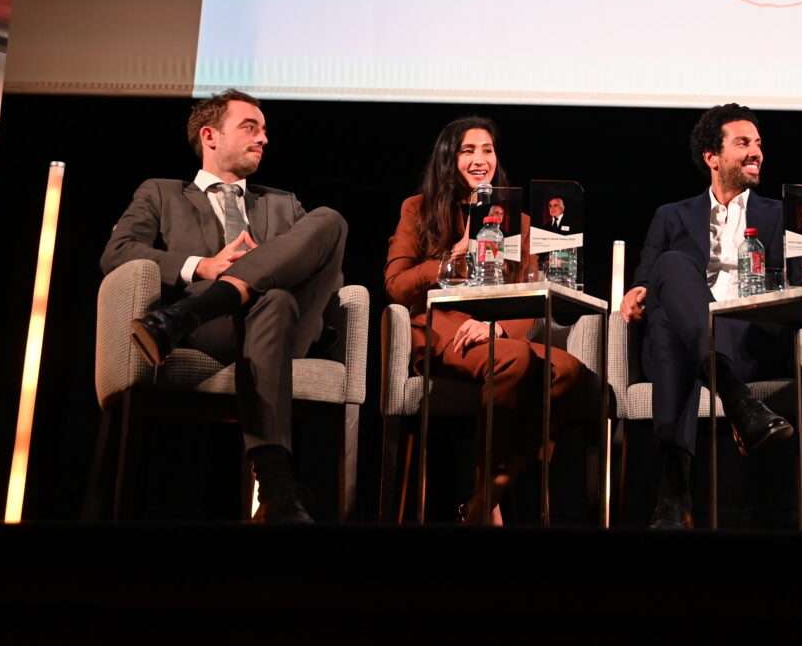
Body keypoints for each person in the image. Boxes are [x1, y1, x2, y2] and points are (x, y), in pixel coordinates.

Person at [100, 89, 348, 523]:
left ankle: (177, 318)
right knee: (273, 299)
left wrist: (256, 270)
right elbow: (117, 253)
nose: (264, 139)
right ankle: (276, 488)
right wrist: (202, 266)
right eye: (250, 127)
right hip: (213, 333)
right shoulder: (161, 193)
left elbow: (323, 270)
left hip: (279, 329)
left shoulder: (284, 203)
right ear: (210, 136)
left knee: (330, 221)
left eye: (265, 130)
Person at [620, 103, 802, 529]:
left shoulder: (781, 216)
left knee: (675, 336)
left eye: (759, 144)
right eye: (743, 143)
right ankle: (739, 400)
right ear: (712, 157)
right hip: (690, 339)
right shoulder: (671, 215)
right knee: (671, 269)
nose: (756, 152)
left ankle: (673, 494)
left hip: (749, 341)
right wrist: (634, 294)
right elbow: (646, 280)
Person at [384, 116, 584, 523]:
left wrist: (498, 326)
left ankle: (482, 499)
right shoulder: (418, 209)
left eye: (487, 150)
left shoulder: (518, 220)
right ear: (448, 158)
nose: (480, 160)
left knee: (569, 370)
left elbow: (530, 296)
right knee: (515, 360)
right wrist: (447, 260)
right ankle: (488, 508)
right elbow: (396, 285)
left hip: (498, 330)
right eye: (468, 150)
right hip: (442, 327)